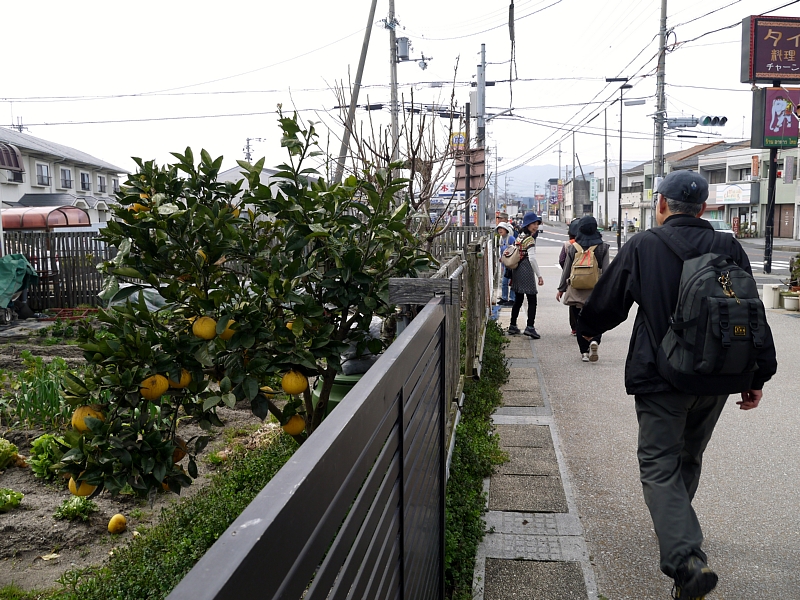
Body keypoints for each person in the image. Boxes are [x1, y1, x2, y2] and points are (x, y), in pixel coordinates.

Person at [576, 170, 777, 599]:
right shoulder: (728, 246)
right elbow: (751, 312)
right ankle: (675, 529)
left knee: (658, 463)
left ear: (662, 204)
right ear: (703, 208)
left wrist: (588, 329)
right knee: (688, 456)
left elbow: (609, 301)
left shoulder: (645, 245)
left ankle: (686, 559)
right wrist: (757, 375)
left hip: (662, 376)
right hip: (718, 377)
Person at [556, 216, 609, 361]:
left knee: (579, 321)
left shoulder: (573, 247)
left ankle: (584, 352)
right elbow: (607, 271)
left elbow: (567, 270)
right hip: (595, 292)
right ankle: (594, 340)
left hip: (576, 291)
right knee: (597, 319)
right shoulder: (603, 247)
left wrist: (561, 289)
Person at [507, 212, 544, 338]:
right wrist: (539, 275)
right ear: (527, 225)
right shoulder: (529, 240)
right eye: (533, 224)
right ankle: (530, 327)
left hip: (517, 270)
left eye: (537, 224)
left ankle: (512, 325)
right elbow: (532, 259)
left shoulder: (519, 237)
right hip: (526, 270)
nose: (536, 226)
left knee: (518, 299)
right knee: (532, 299)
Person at [559, 219, 581, 335]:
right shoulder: (591, 243)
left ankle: (575, 328)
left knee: (573, 303)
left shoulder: (568, 244)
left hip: (572, 278)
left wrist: (567, 270)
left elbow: (562, 260)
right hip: (589, 278)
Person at [496, 222, 516, 306]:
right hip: (505, 264)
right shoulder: (501, 239)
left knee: (512, 281)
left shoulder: (511, 238)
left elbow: (516, 249)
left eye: (502, 228)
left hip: (511, 263)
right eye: (499, 229)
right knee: (504, 282)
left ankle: (512, 299)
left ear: (506, 230)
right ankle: (504, 298)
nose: (500, 230)